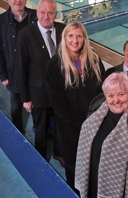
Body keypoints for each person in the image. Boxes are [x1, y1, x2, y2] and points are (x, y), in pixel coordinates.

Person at [45, 21, 105, 191]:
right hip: (71, 131)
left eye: (79, 36)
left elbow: (102, 94)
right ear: (64, 38)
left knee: (94, 168)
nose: (75, 40)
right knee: (74, 171)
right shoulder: (54, 66)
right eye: (71, 36)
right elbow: (58, 104)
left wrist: (96, 120)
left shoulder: (93, 60)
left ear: (85, 38)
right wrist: (83, 123)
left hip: (94, 127)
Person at [16, 0, 65, 159]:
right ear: (37, 13)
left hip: (60, 94)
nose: (46, 16)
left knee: (61, 128)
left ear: (55, 14)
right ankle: (42, 158)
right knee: (41, 131)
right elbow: (21, 69)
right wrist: (26, 98)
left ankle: (60, 154)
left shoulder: (64, 31)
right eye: (43, 12)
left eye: (50, 13)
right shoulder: (25, 35)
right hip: (39, 95)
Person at [0, 0, 36, 134]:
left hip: (34, 72)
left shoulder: (35, 17)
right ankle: (19, 132)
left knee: (38, 105)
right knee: (16, 106)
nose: (18, 0)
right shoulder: (0, 21)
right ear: (8, 0)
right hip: (14, 73)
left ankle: (40, 130)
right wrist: (2, 73)